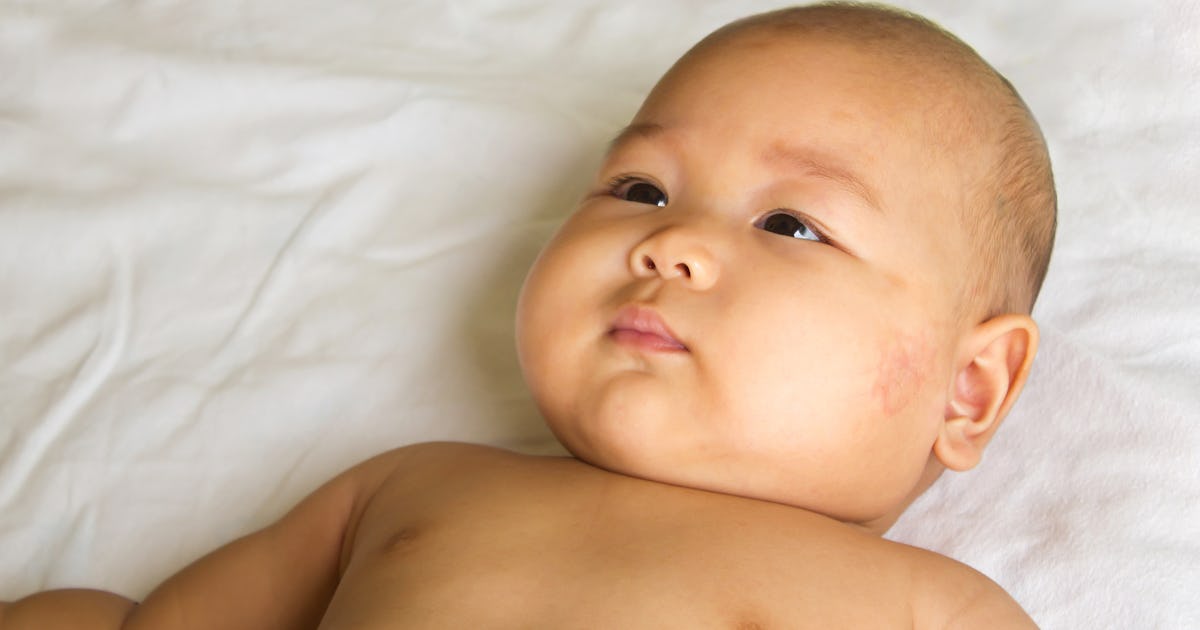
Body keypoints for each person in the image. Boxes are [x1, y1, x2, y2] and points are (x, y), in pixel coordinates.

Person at [0, 2, 1056, 628]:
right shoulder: (412, 487)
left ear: (968, 390)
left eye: (790, 223)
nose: (669, 242)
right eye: (641, 189)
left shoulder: (924, 607)